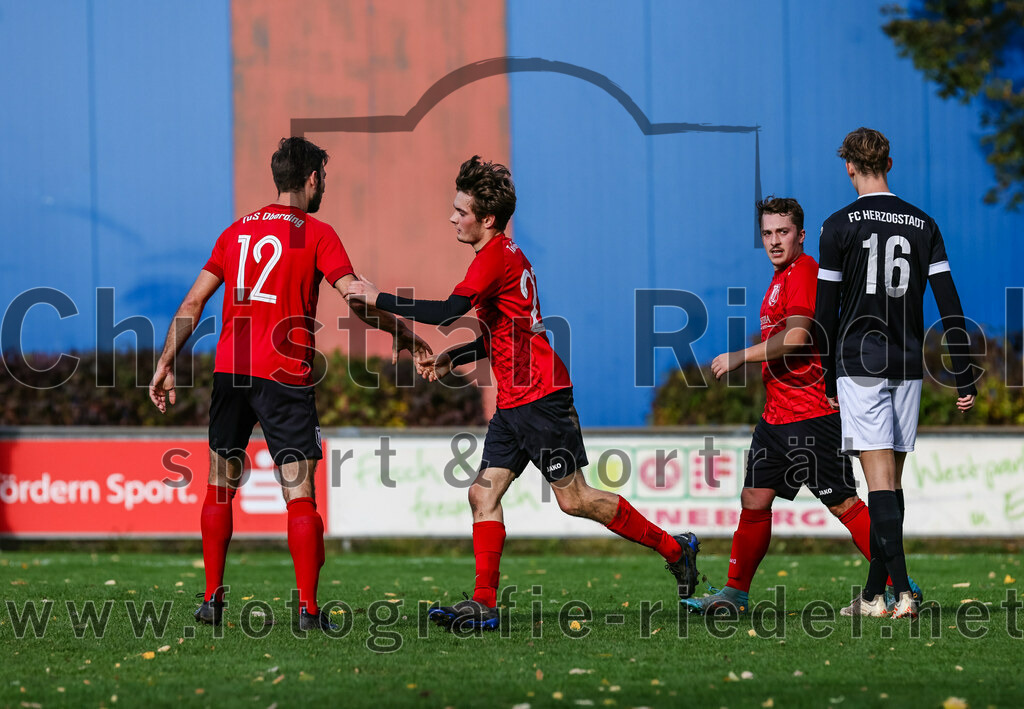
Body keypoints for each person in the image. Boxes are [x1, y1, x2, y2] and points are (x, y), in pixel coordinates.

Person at [345, 155, 701, 631]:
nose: (452, 217)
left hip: (540, 396)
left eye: (460, 210)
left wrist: (378, 297)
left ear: (486, 219)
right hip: (514, 401)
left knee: (574, 500)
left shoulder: (493, 258)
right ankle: (483, 606)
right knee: (481, 494)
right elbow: (508, 330)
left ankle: (676, 548)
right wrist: (457, 357)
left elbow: (449, 311)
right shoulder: (506, 255)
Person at [148, 137, 430, 632]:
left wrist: (166, 362)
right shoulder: (317, 233)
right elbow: (356, 300)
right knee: (299, 493)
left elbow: (192, 305)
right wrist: (403, 331)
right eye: (325, 179)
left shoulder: (235, 232)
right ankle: (307, 611)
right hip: (283, 374)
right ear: (313, 179)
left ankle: (212, 601)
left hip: (231, 371)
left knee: (220, 487)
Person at [684, 197, 914, 616]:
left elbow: (796, 337)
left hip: (811, 413)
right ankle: (735, 593)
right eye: (767, 233)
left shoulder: (805, 271)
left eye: (782, 232)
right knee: (754, 498)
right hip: (776, 416)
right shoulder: (779, 278)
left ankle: (901, 585)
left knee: (843, 503)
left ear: (800, 235)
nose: (774, 241)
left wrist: (739, 356)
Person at [815, 128, 976, 619]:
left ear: (849, 166)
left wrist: (825, 378)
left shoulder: (838, 225)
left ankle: (902, 592)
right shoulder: (923, 223)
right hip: (908, 364)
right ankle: (871, 595)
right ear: (890, 161)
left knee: (880, 485)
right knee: (891, 485)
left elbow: (824, 314)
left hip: (860, 361)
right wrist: (963, 374)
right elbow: (949, 304)